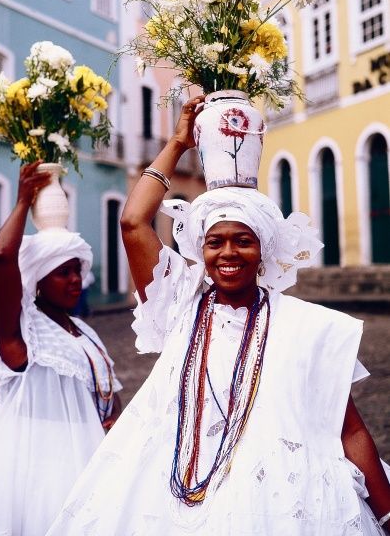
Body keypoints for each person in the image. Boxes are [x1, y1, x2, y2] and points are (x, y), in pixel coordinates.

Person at [48, 98, 390, 535]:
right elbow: (134, 222)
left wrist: (386, 514)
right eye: (216, 242)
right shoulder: (179, 304)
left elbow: (349, 429)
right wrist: (177, 142)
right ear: (201, 251)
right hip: (178, 495)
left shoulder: (308, 325)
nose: (228, 253)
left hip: (284, 500)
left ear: (263, 249)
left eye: (243, 241)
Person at [0, 162, 122, 536]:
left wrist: (115, 421)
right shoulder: (23, 333)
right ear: (38, 280)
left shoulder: (82, 330)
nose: (76, 279)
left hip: (88, 457)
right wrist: (22, 201)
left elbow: (106, 389)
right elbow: (1, 256)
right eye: (64, 272)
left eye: (78, 269)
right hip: (32, 464)